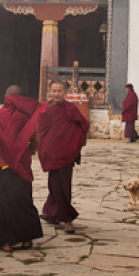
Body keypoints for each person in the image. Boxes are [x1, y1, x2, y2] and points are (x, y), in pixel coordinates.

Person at [0, 85, 44, 252]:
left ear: (7, 98)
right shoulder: (28, 117)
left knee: (5, 203)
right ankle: (26, 240)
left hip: (3, 164)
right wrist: (27, 152)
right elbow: (36, 140)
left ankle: (7, 242)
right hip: (22, 163)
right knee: (23, 200)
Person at [37, 79, 89, 233]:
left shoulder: (70, 108)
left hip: (65, 154)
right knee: (54, 185)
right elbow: (41, 129)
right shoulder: (45, 109)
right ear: (50, 92)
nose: (56, 94)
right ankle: (51, 212)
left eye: (59, 91)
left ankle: (67, 219)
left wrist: (74, 145)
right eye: (54, 91)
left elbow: (83, 125)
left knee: (63, 187)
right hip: (52, 153)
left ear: (65, 93)